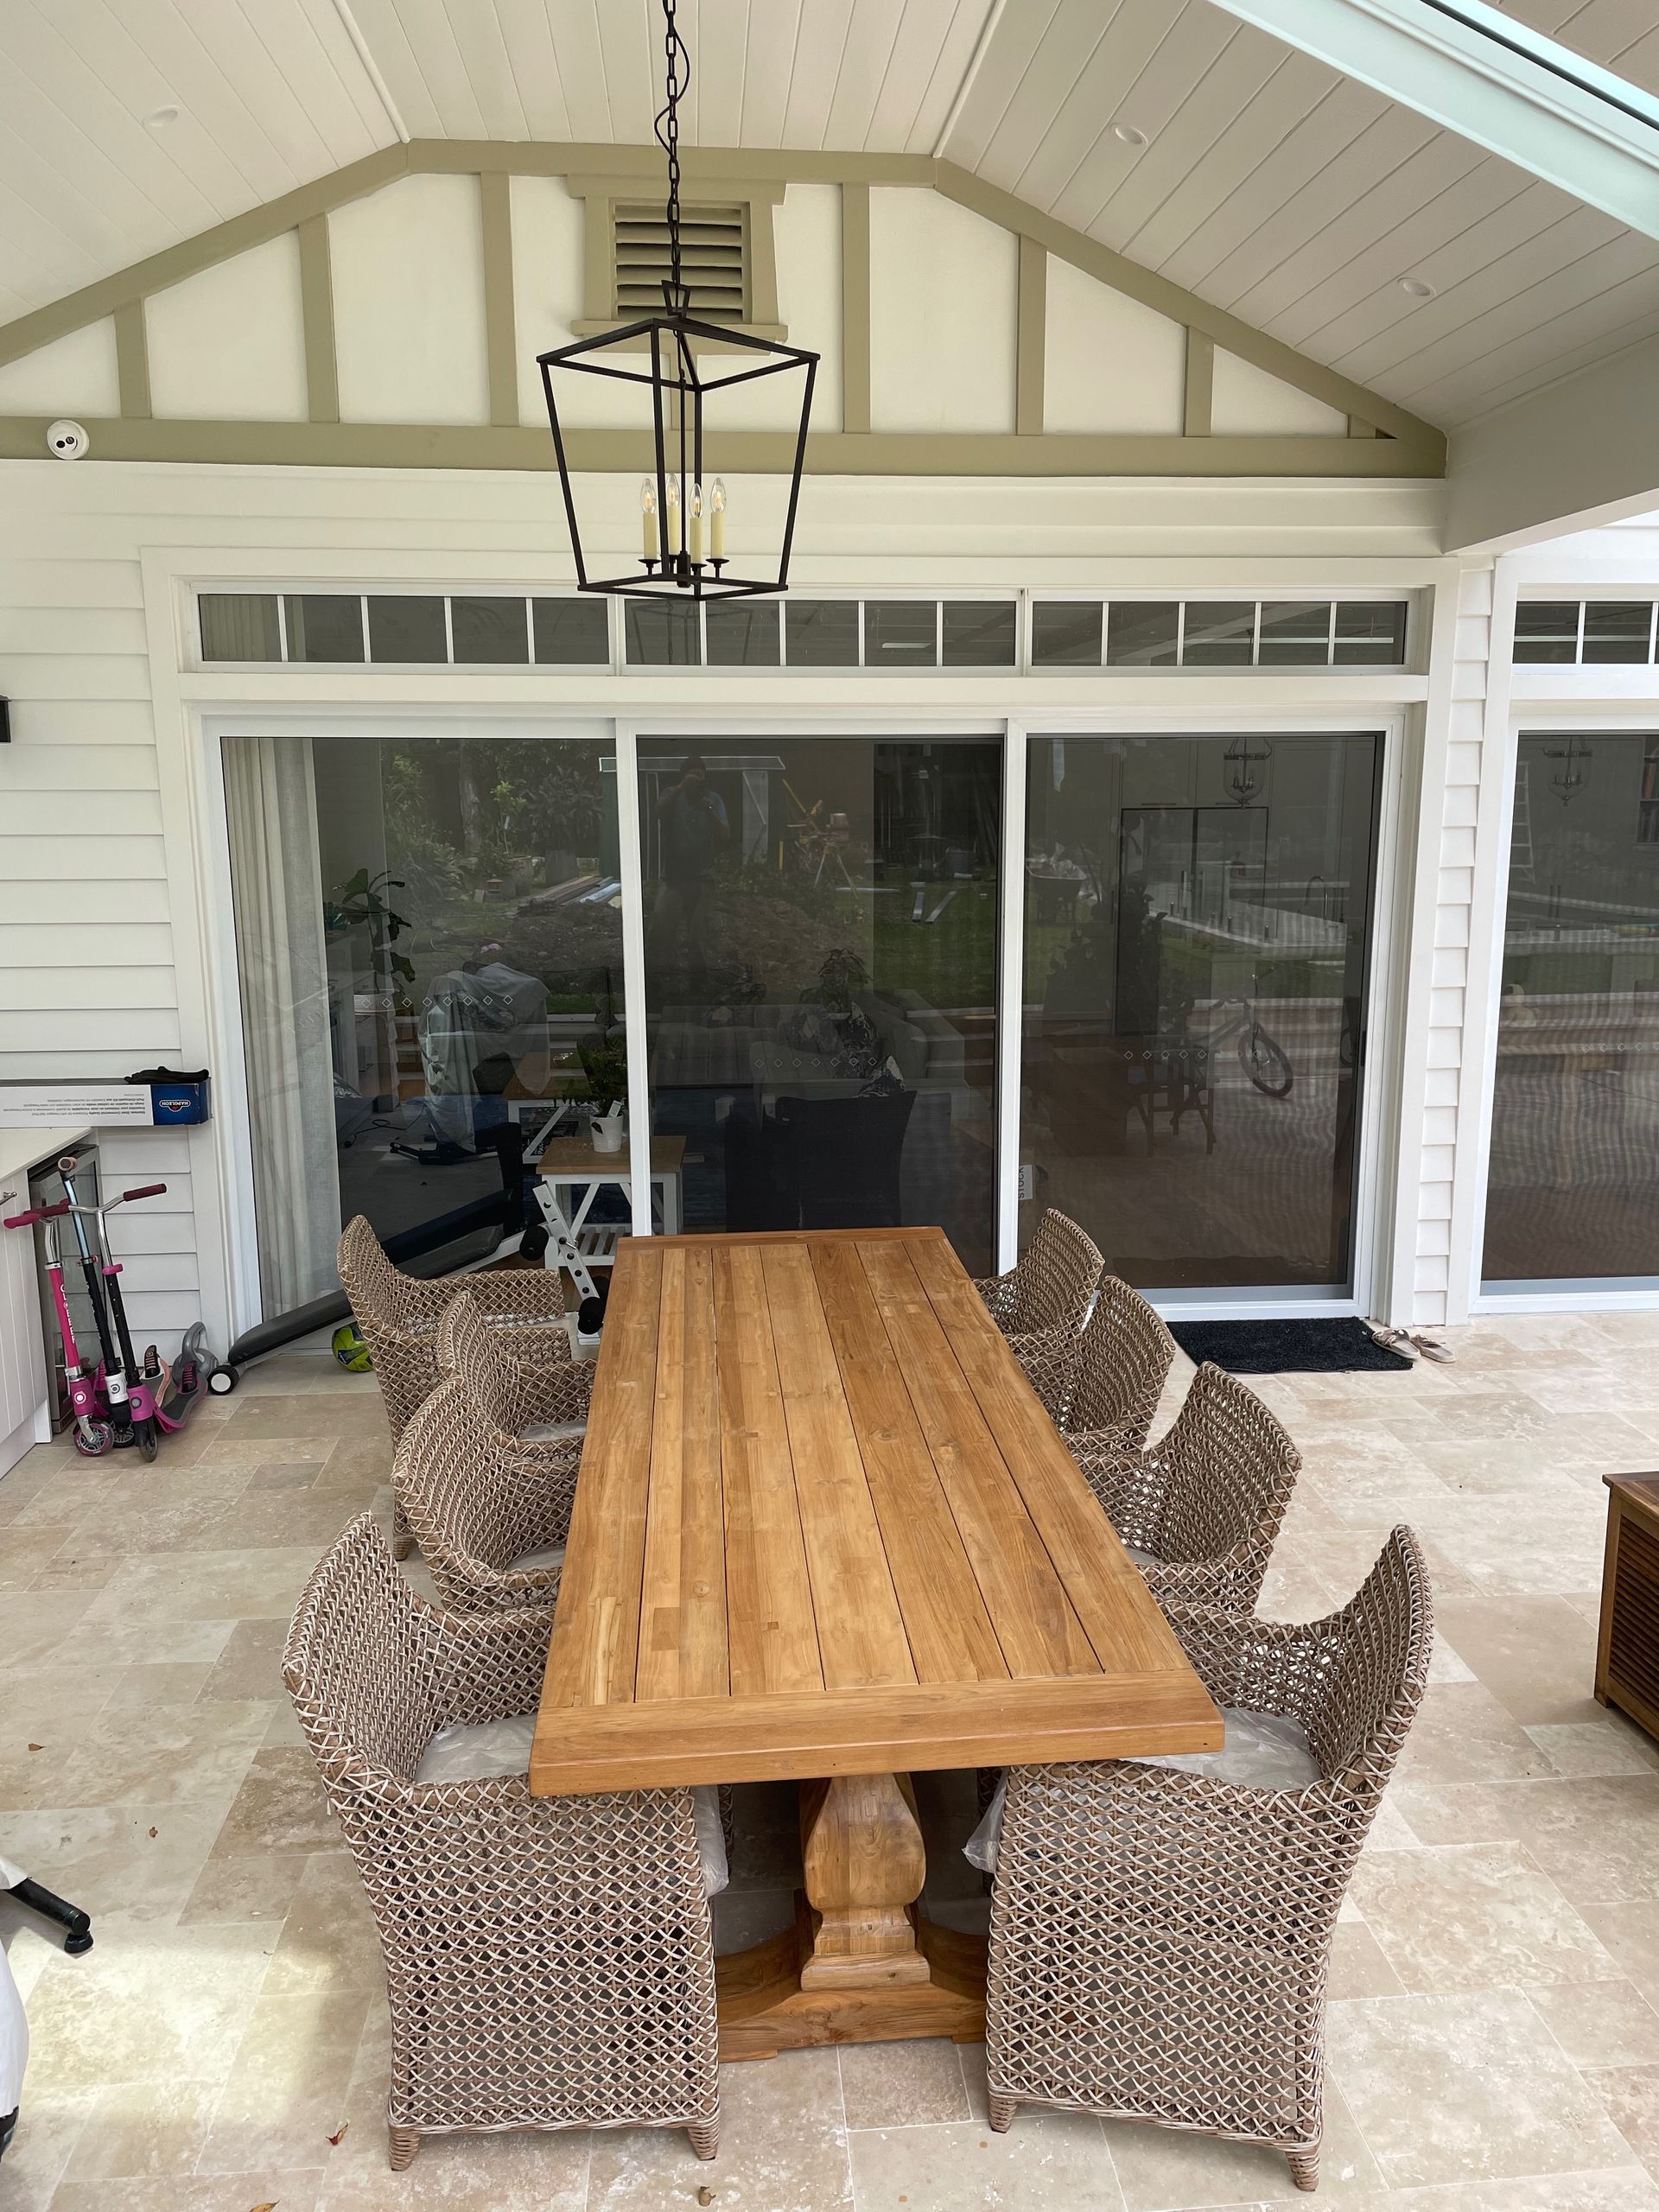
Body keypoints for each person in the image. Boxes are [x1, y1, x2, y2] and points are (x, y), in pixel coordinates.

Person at [648, 754, 729, 1002]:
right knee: (660, 931)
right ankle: (653, 986)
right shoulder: (671, 794)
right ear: (683, 777)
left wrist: (709, 810)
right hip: (673, 878)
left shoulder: (713, 800)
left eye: (701, 775)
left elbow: (725, 835)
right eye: (692, 775)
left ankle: (699, 988)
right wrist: (682, 788)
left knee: (700, 938)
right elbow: (658, 812)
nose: (698, 779)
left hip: (703, 877)